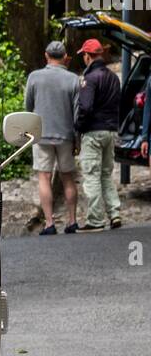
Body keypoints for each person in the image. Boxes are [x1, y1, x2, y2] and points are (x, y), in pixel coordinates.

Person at [23, 40, 80, 236]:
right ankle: (72, 221)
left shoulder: (34, 77)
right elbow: (77, 112)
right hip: (66, 135)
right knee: (68, 177)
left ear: (46, 56)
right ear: (65, 57)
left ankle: (49, 223)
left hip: (41, 135)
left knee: (44, 177)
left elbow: (27, 107)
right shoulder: (73, 79)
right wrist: (76, 138)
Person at [74, 38, 122, 232]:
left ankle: (95, 220)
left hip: (93, 132)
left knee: (92, 175)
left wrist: (79, 126)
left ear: (88, 56)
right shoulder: (113, 77)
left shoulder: (90, 79)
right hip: (111, 131)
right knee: (106, 174)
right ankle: (115, 213)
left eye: (84, 55)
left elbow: (85, 107)